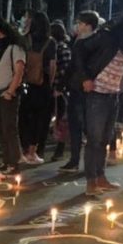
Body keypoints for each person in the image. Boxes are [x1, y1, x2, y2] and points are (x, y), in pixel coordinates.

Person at [78, 8, 123, 196]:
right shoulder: (107, 37)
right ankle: (91, 181)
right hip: (97, 93)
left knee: (105, 138)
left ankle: (101, 176)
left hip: (113, 94)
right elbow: (79, 50)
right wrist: (85, 78)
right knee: (94, 140)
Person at [59, 10, 100, 173]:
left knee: (87, 127)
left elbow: (82, 66)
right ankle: (75, 160)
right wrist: (62, 84)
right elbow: (72, 66)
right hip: (76, 88)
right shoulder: (78, 41)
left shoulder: (95, 43)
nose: (78, 26)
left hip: (88, 89)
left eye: (80, 23)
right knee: (75, 125)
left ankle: (91, 163)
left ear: (89, 26)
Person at [0, 17, 26, 175]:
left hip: (8, 93)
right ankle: (6, 161)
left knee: (9, 128)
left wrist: (10, 91)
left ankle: (14, 163)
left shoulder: (15, 48)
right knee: (0, 128)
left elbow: (19, 71)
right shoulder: (1, 49)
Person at [18, 11, 56, 165]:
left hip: (24, 82)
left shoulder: (25, 40)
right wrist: (50, 83)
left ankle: (23, 149)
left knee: (23, 117)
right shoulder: (50, 42)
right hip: (42, 84)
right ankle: (32, 152)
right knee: (39, 119)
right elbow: (52, 65)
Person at [50, 21, 73, 161]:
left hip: (59, 89)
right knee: (57, 119)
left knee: (60, 119)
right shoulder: (53, 47)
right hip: (52, 87)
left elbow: (65, 70)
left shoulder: (62, 49)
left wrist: (59, 87)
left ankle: (60, 148)